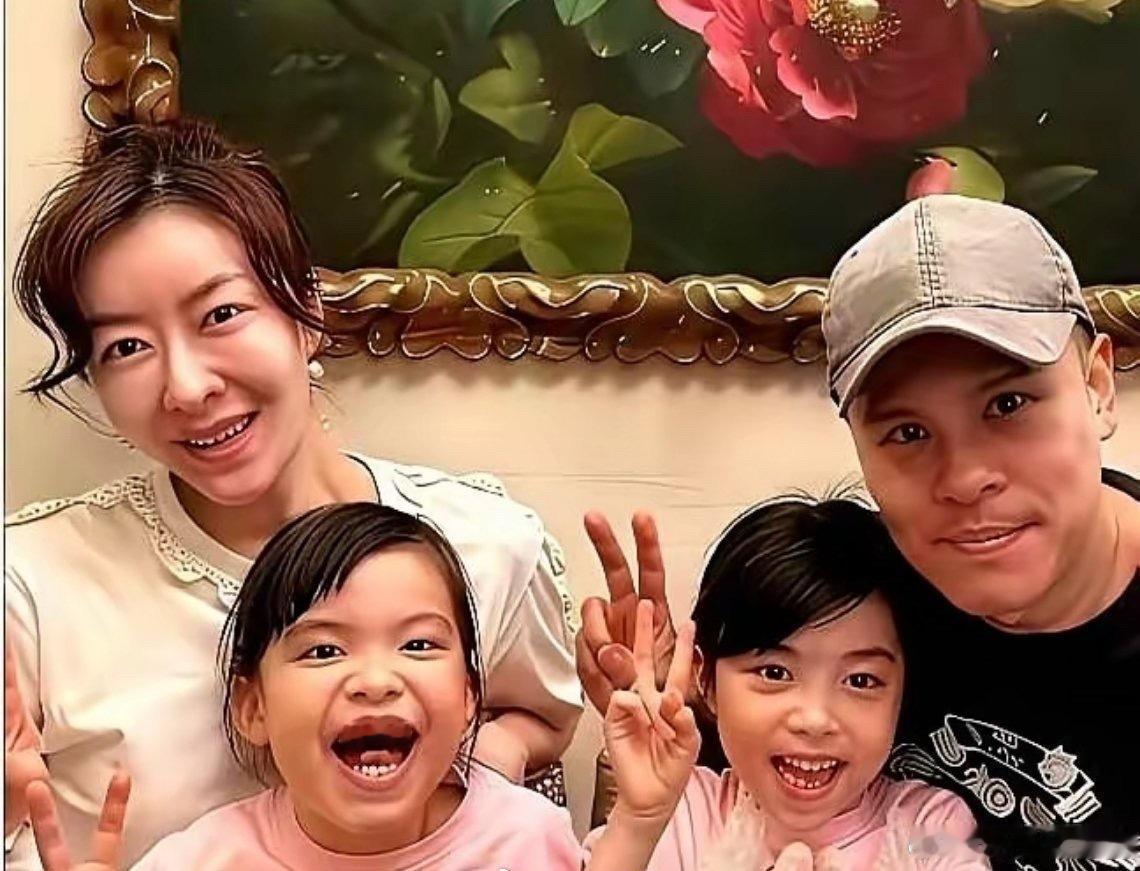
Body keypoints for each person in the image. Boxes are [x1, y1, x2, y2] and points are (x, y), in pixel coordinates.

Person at [5, 119, 581, 869]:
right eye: (126, 347)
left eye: (220, 314)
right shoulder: (33, 586)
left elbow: (540, 718)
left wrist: (479, 772)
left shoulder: (484, 543)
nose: (187, 387)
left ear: (305, 312)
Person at [578, 196, 1139, 869]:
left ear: (1098, 385)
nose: (965, 478)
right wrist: (685, 697)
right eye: (908, 431)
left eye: (1008, 404)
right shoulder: (868, 589)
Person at [24, 503, 584, 870]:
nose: (375, 681)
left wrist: (629, 821)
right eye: (323, 651)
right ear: (253, 708)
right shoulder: (203, 861)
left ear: (467, 697)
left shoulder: (527, 840)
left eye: (417, 644)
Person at [585, 496, 986, 870]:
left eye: (861, 680)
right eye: (775, 673)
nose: (814, 720)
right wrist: (638, 822)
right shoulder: (677, 811)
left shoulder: (930, 827)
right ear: (704, 681)